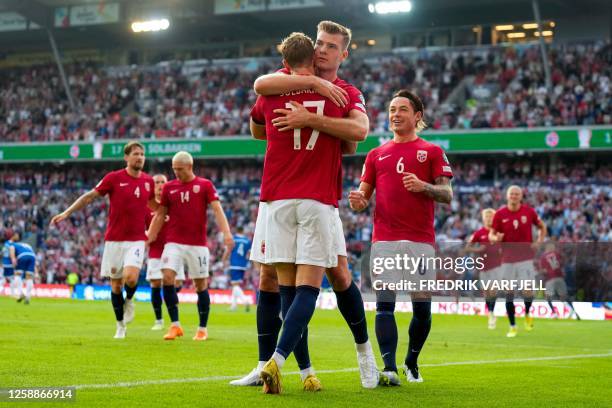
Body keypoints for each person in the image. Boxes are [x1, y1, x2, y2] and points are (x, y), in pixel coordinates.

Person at [233, 21, 377, 392]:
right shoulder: (285, 80)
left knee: (339, 276)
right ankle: (270, 365)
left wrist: (312, 120)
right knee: (272, 278)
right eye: (319, 43)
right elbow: (261, 92)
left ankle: (364, 354)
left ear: (343, 54)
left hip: (316, 196)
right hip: (280, 195)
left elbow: (358, 133)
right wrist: (313, 92)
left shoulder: (345, 91)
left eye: (331, 46)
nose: (322, 50)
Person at [349, 89, 453, 385]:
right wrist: (358, 200)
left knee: (422, 308)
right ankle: (390, 368)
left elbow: (447, 193)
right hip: (384, 240)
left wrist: (425, 186)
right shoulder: (376, 154)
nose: (395, 114)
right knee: (385, 304)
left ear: (417, 116)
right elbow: (363, 196)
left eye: (402, 109)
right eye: (392, 109)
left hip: (420, 241)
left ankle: (411, 360)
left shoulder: (432, 152)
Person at [50, 141, 157, 339]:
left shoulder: (148, 181)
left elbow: (155, 206)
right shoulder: (114, 178)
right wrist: (66, 213)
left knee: (131, 278)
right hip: (114, 240)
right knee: (116, 286)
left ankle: (130, 300)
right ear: (126, 157)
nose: (140, 157)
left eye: (142, 154)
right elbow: (90, 196)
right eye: (136, 154)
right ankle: (120, 326)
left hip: (136, 239)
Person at [147, 151, 234, 341]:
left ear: (189, 167)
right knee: (167, 276)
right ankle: (175, 325)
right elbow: (160, 214)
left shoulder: (204, 185)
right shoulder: (169, 187)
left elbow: (217, 209)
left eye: (179, 169)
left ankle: (202, 329)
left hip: (197, 245)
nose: (176, 172)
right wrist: (150, 236)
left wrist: (227, 234)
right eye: (174, 169)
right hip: (173, 243)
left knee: (200, 285)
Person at [489, 185, 547, 337]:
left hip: (525, 258)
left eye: (517, 194)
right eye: (512, 194)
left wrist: (539, 242)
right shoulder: (500, 214)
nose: (514, 196)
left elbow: (542, 227)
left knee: (528, 290)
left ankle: (527, 313)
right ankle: (513, 326)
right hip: (507, 259)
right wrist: (496, 238)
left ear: (521, 197)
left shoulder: (529, 212)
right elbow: (491, 235)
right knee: (509, 292)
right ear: (507, 196)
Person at [145, 174, 185, 330]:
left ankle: (172, 310)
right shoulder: (147, 206)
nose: (160, 185)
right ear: (152, 186)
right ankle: (159, 320)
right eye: (157, 182)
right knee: (155, 282)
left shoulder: (173, 202)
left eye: (163, 182)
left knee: (177, 284)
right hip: (155, 250)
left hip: (174, 249)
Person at [466, 208, 503, 329]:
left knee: (492, 290)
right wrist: (478, 249)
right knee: (486, 292)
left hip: (497, 266)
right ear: (483, 219)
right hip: (484, 267)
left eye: (491, 217)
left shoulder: (498, 232)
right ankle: (491, 313)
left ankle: (491, 314)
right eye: (486, 217)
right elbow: (467, 247)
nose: (488, 219)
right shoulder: (479, 233)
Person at [537, 242, 580, 320]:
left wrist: (540, 273)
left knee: (548, 297)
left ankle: (554, 314)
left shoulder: (543, 257)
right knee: (564, 296)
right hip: (559, 277)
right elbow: (563, 263)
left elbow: (544, 270)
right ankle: (573, 312)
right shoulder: (557, 254)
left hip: (550, 279)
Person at [228, 226, 252, 312]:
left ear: (237, 230)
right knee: (236, 285)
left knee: (235, 285)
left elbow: (228, 250)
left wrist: (224, 259)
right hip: (243, 264)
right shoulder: (247, 241)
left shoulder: (233, 239)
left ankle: (245, 301)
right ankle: (233, 306)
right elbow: (249, 254)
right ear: (243, 231)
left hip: (234, 263)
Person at [9, 232, 37, 304]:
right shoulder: (27, 245)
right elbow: (32, 253)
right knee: (29, 277)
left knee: (18, 274)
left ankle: (21, 293)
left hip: (22, 256)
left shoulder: (13, 244)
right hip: (32, 256)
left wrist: (13, 259)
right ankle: (28, 296)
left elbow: (12, 250)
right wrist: (36, 271)